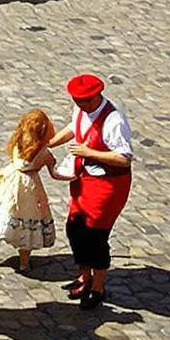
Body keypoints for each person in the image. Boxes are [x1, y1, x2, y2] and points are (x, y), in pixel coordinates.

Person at [52, 72, 132, 310]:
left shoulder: (113, 121)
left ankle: (98, 286)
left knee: (95, 237)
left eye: (83, 102)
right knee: (75, 229)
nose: (79, 106)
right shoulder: (81, 109)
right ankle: (84, 276)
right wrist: (50, 143)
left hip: (108, 185)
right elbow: (73, 127)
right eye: (75, 101)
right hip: (84, 179)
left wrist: (89, 153)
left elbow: (124, 158)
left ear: (95, 97)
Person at [0, 108, 57, 271]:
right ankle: (24, 263)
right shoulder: (43, 153)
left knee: (2, 216)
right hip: (30, 187)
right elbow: (54, 172)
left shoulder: (17, 145)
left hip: (11, 183)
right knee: (27, 219)